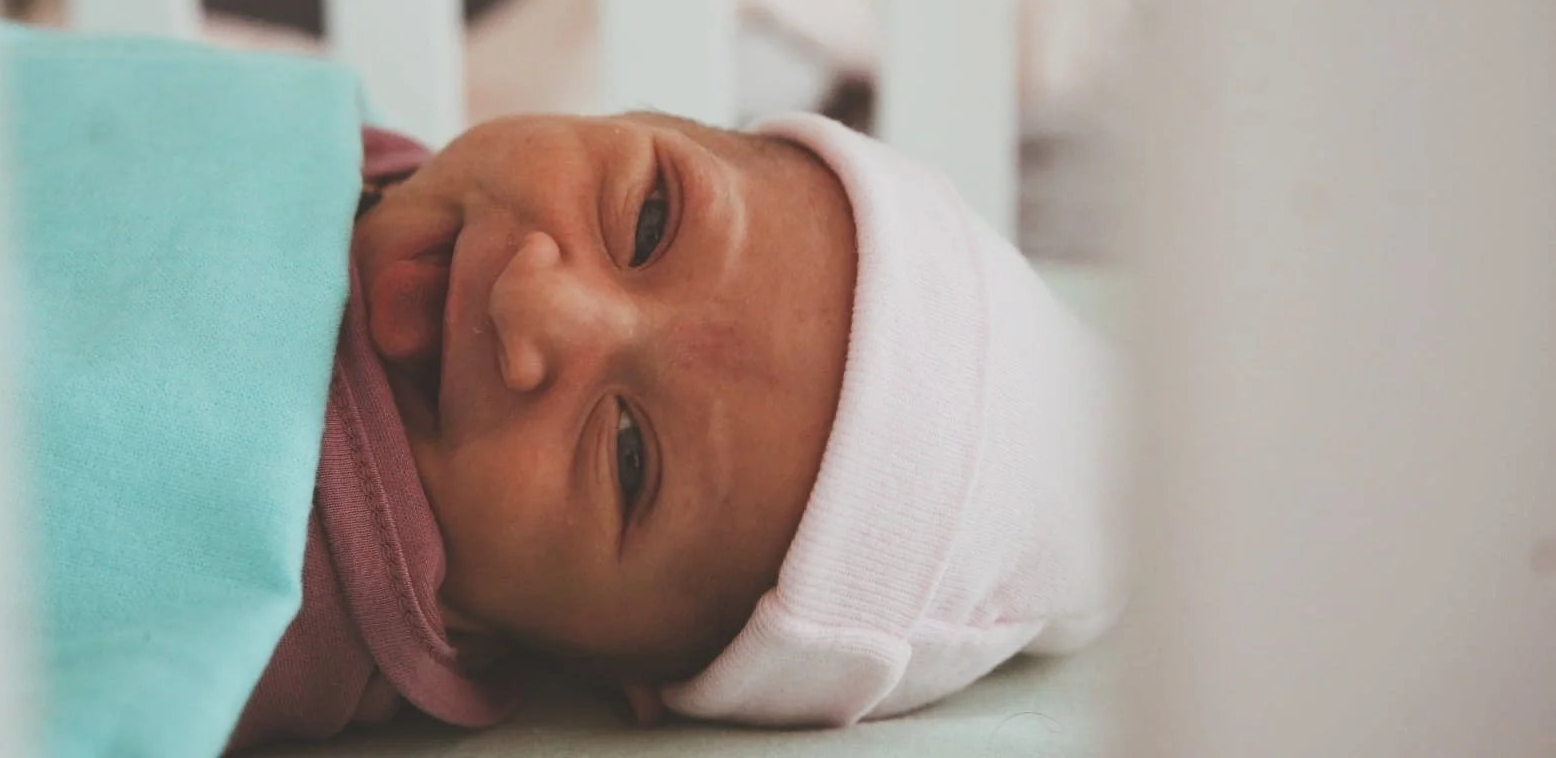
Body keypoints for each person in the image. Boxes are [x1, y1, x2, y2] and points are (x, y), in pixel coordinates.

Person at [232, 110, 1118, 744]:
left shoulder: (277, 605)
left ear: (600, 660)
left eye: (627, 457)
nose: (536, 305)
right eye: (648, 222)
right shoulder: (324, 134)